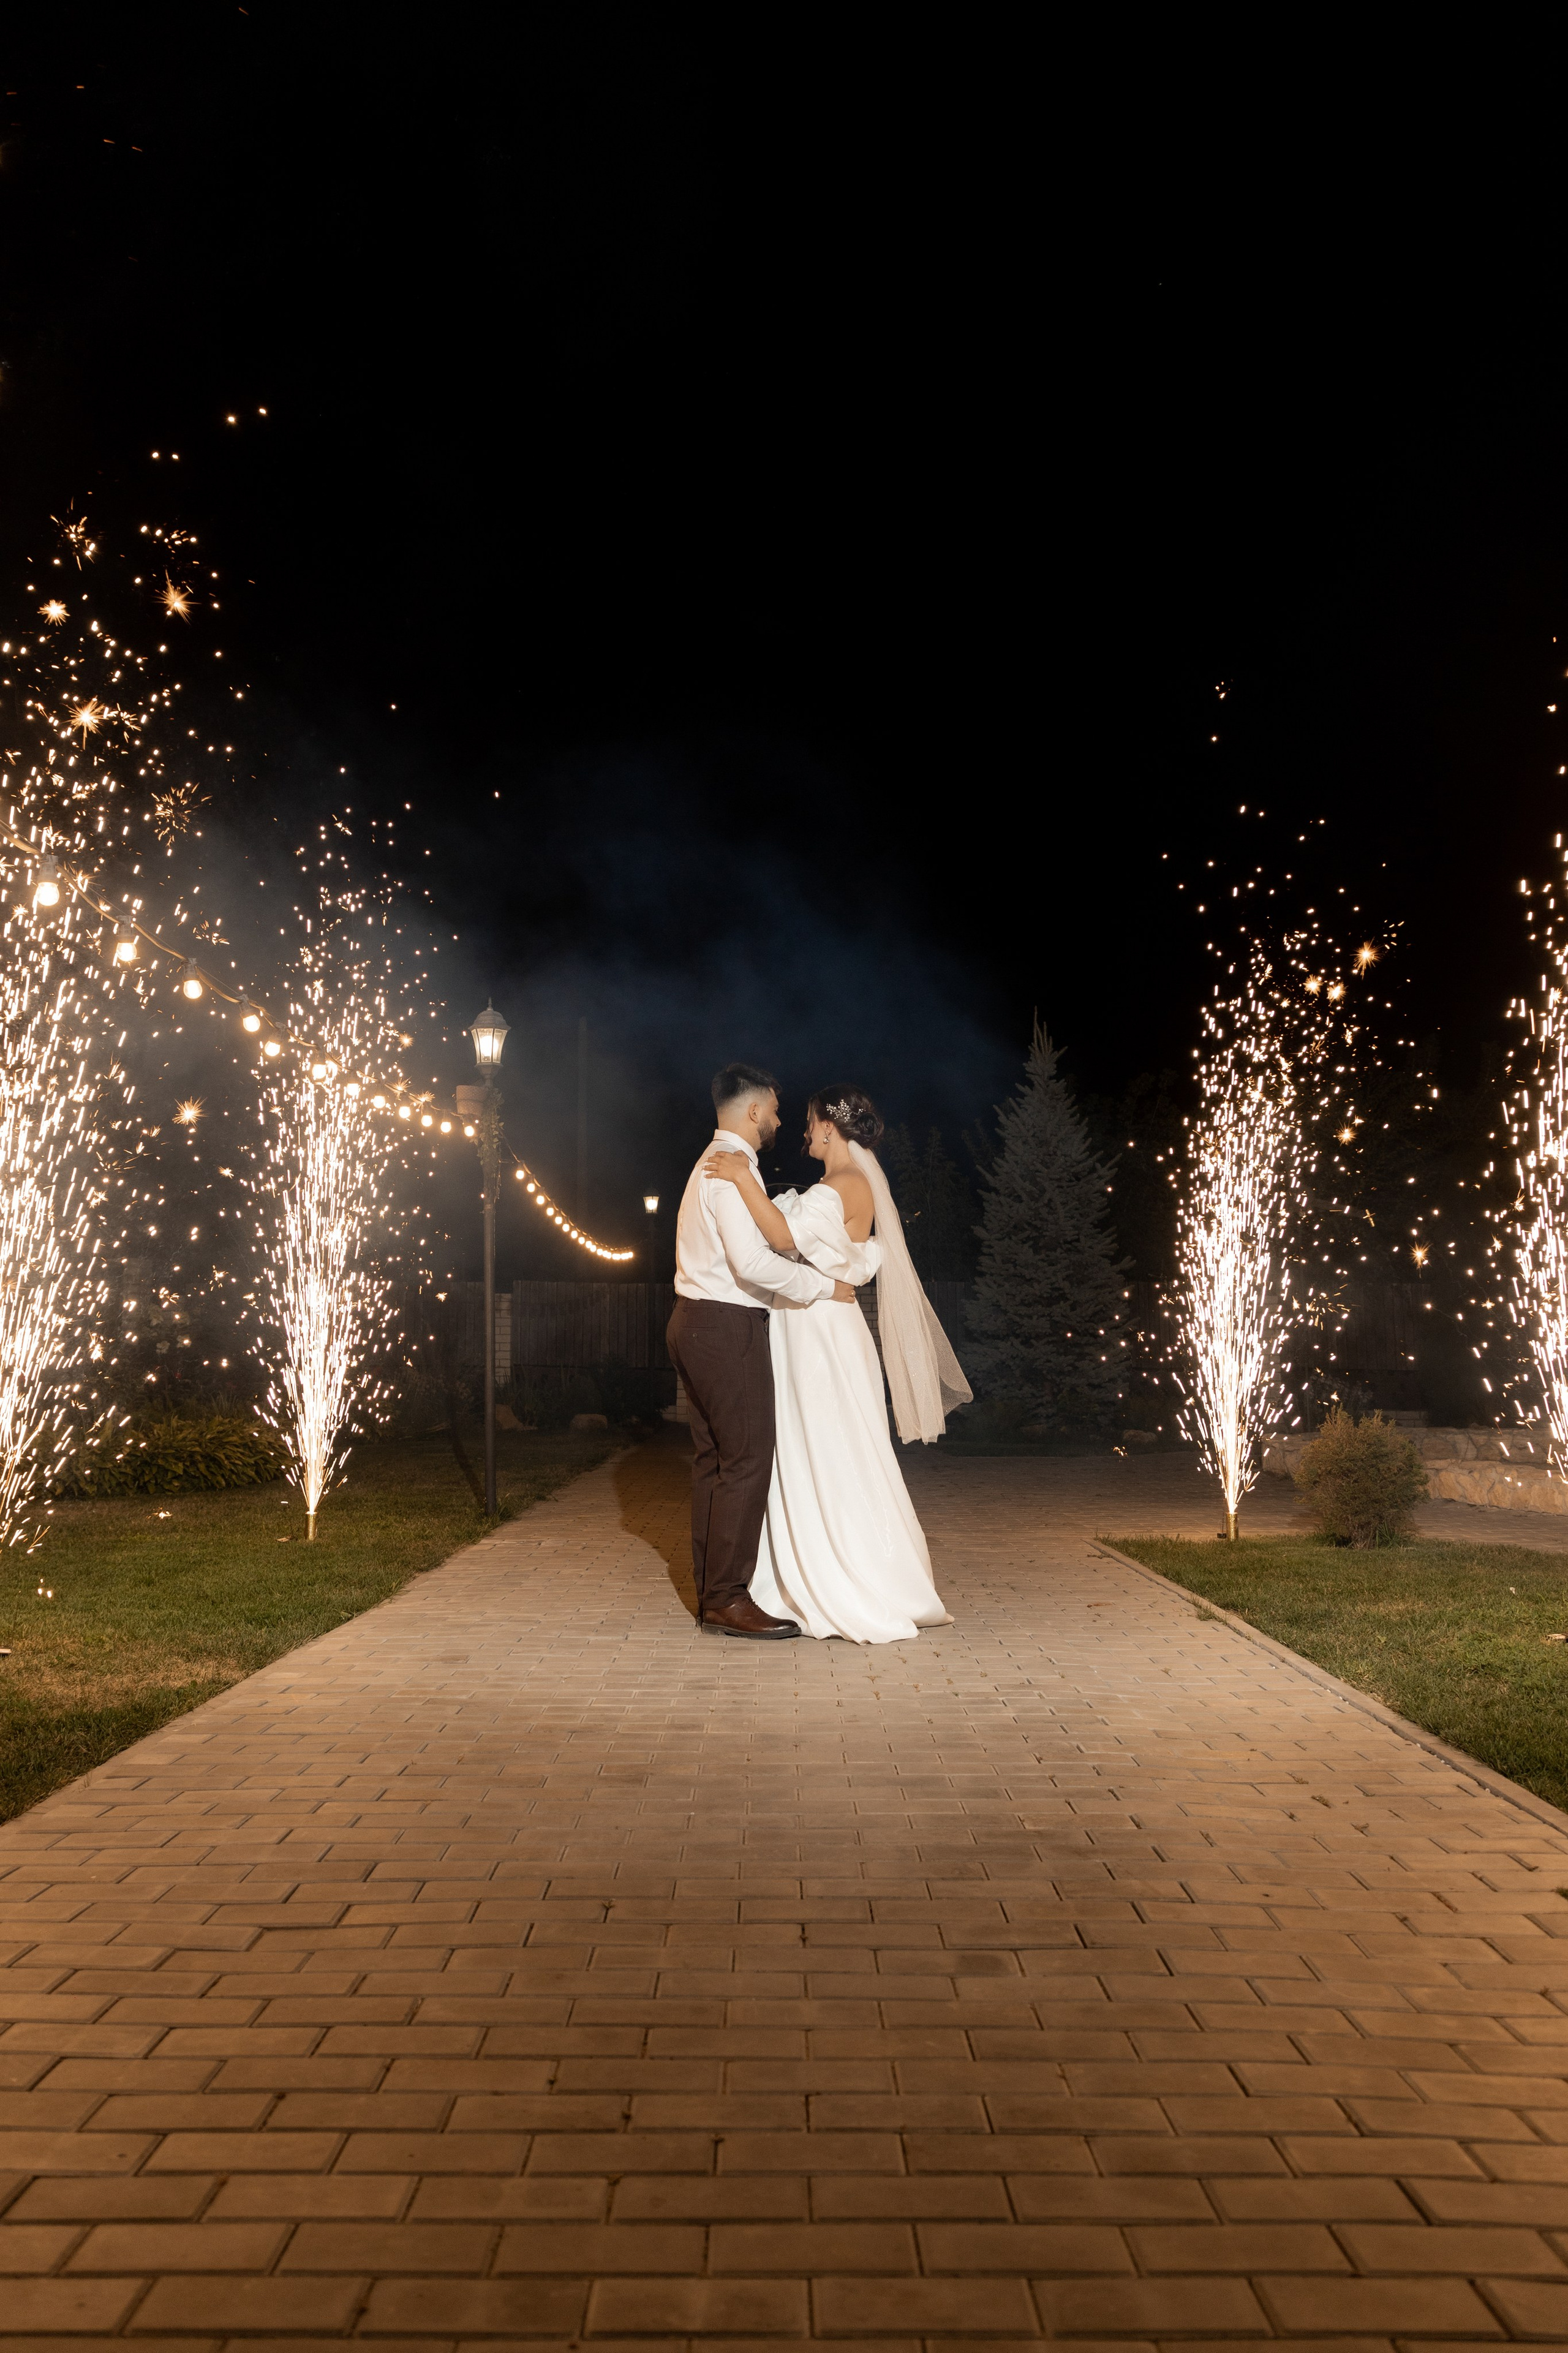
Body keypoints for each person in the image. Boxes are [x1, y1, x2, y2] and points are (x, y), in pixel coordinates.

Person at [700, 1084, 971, 1642]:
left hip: (819, 1334)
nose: (802, 1130)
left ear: (830, 1126)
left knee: (829, 1447)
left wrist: (742, 1178)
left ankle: (842, 1578)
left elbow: (779, 1235)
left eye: (808, 1121)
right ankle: (815, 1568)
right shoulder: (849, 1183)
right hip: (822, 1324)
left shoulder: (842, 1186)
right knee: (831, 1446)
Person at [666, 1063, 858, 1639]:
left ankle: (713, 1595)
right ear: (753, 1111)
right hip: (725, 1327)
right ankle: (727, 1598)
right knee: (747, 1461)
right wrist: (825, 1286)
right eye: (774, 1109)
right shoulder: (733, 1167)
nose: (778, 1119)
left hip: (693, 1322)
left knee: (715, 1462)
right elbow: (752, 1263)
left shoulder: (712, 1162)